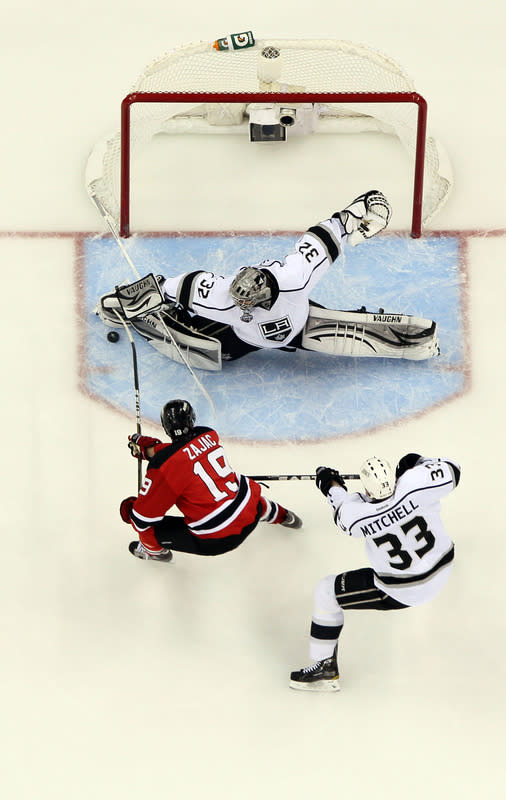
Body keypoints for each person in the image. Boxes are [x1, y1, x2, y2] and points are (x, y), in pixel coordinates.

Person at [97, 191, 439, 367]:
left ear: (263, 294)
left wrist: (352, 215)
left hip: (302, 322)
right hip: (244, 340)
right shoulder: (219, 294)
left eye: (247, 302)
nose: (240, 304)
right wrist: (124, 302)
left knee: (335, 327)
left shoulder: (294, 276)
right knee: (214, 355)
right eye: (238, 300)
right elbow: (167, 286)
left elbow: (324, 235)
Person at [289, 453, 460, 691]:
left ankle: (324, 666)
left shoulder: (356, 514)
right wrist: (416, 462)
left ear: (368, 491)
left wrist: (329, 482)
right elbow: (453, 469)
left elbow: (339, 503)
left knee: (327, 591)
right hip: (443, 567)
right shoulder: (416, 484)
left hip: (403, 591)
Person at [120, 398, 302, 562]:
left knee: (146, 529)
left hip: (218, 540)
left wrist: (131, 511)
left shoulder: (163, 467)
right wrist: (153, 450)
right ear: (192, 419)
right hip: (252, 513)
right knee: (243, 496)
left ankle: (155, 553)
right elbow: (183, 452)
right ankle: (285, 516)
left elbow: (143, 518)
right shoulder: (208, 434)